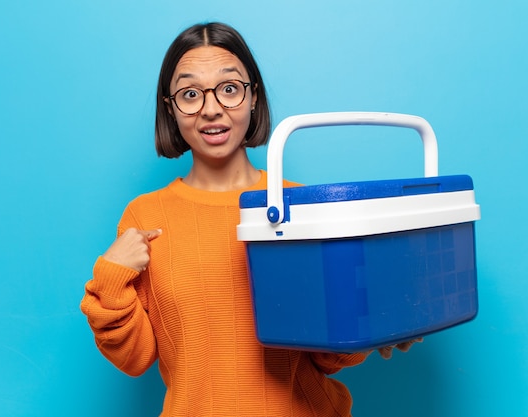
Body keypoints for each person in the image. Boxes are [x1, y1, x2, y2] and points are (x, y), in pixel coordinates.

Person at [80, 22, 419, 417]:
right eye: (190, 94)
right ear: (170, 107)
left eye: (229, 88)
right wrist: (111, 277)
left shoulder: (304, 205)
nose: (211, 109)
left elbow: (326, 358)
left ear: (253, 96)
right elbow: (134, 358)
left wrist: (372, 325)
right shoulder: (146, 216)